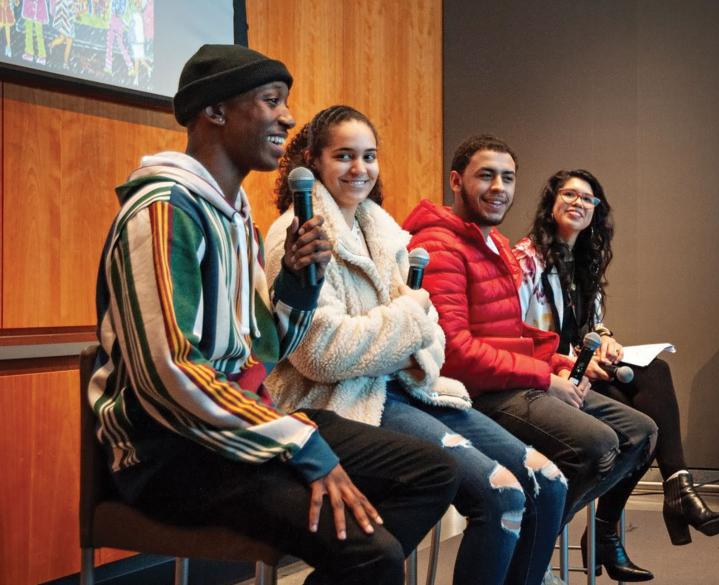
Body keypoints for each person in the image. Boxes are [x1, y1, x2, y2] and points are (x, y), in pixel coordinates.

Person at [88, 45, 459, 585]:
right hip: (170, 449)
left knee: (432, 473)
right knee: (371, 552)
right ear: (215, 112)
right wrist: (303, 446)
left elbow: (263, 349)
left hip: (238, 423)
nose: (287, 117)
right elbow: (171, 372)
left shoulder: (235, 218)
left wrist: (295, 288)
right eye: (271, 101)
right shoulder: (164, 211)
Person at [265, 106, 567, 585]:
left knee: (549, 482)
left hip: (405, 386)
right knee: (502, 494)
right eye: (344, 156)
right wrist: (406, 326)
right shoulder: (296, 233)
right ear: (313, 161)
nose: (360, 168)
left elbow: (433, 337)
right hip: (346, 400)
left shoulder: (385, 232)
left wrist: (404, 336)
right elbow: (323, 353)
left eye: (369, 156)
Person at [404, 135, 659, 582]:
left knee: (639, 432)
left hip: (512, 381)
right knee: (597, 444)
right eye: (486, 175)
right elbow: (455, 353)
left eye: (507, 177)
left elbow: (513, 332)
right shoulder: (441, 246)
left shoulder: (494, 243)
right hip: (473, 394)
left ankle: (532, 536)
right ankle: (529, 552)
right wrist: (546, 377)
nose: (498, 186)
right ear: (456, 181)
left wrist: (559, 364)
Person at [513, 169, 719, 549]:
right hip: (549, 376)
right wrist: (572, 359)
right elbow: (518, 332)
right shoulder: (527, 260)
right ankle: (616, 527)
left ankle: (660, 499)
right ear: (551, 205)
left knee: (655, 374)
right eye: (569, 195)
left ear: (595, 212)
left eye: (587, 199)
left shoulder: (585, 261)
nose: (578, 203)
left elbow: (590, 325)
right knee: (641, 429)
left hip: (583, 368)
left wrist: (605, 340)